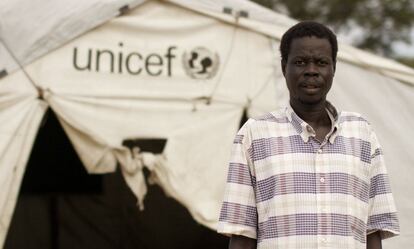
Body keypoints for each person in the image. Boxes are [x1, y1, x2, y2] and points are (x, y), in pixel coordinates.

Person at [217, 21, 400, 249]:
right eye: (300, 62)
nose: (311, 70)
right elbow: (242, 234)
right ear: (284, 67)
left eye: (321, 62)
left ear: (333, 68)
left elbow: (373, 231)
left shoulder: (362, 133)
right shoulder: (254, 135)